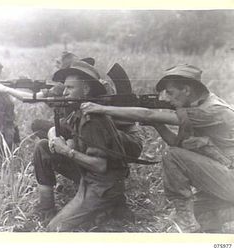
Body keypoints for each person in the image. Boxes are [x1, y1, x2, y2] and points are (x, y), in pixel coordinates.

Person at [81, 64, 234, 233]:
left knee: (172, 158)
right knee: (193, 214)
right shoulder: (197, 108)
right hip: (224, 176)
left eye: (170, 92)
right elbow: (178, 144)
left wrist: (101, 108)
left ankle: (189, 224)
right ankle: (212, 227)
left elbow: (148, 114)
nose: (166, 99)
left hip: (229, 178)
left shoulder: (213, 110)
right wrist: (157, 125)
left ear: (187, 90)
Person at [32, 60, 142, 232]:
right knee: (43, 146)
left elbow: (101, 165)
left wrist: (67, 150)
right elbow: (57, 128)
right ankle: (47, 210)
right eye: (65, 87)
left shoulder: (94, 120)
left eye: (70, 88)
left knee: (55, 229)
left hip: (103, 185)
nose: (65, 92)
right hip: (89, 177)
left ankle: (111, 206)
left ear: (86, 89)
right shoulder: (79, 111)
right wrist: (55, 140)